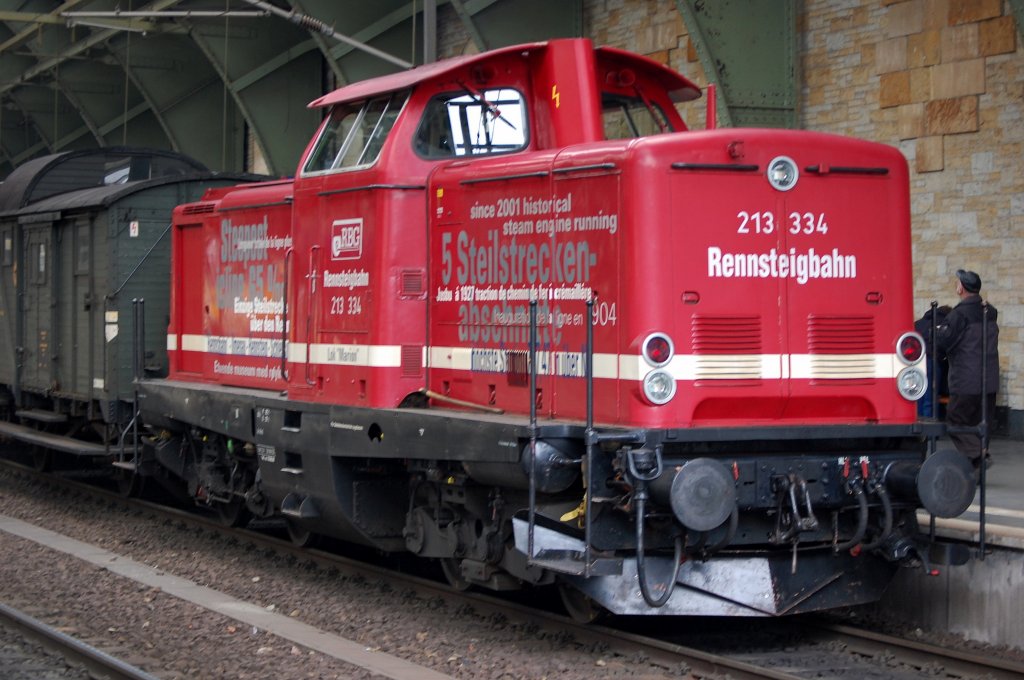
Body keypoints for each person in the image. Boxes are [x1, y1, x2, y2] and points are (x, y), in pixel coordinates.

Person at [934, 269, 999, 468]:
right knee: (981, 423)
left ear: (961, 288)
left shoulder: (959, 314)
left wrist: (939, 332)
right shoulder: (990, 311)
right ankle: (977, 463)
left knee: (955, 421)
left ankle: (979, 455)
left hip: (966, 381)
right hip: (990, 380)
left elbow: (944, 341)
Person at [914, 305, 951, 418]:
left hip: (916, 361)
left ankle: (918, 421)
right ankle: (929, 423)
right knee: (930, 396)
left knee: (918, 395)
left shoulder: (918, 323)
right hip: (933, 360)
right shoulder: (945, 324)